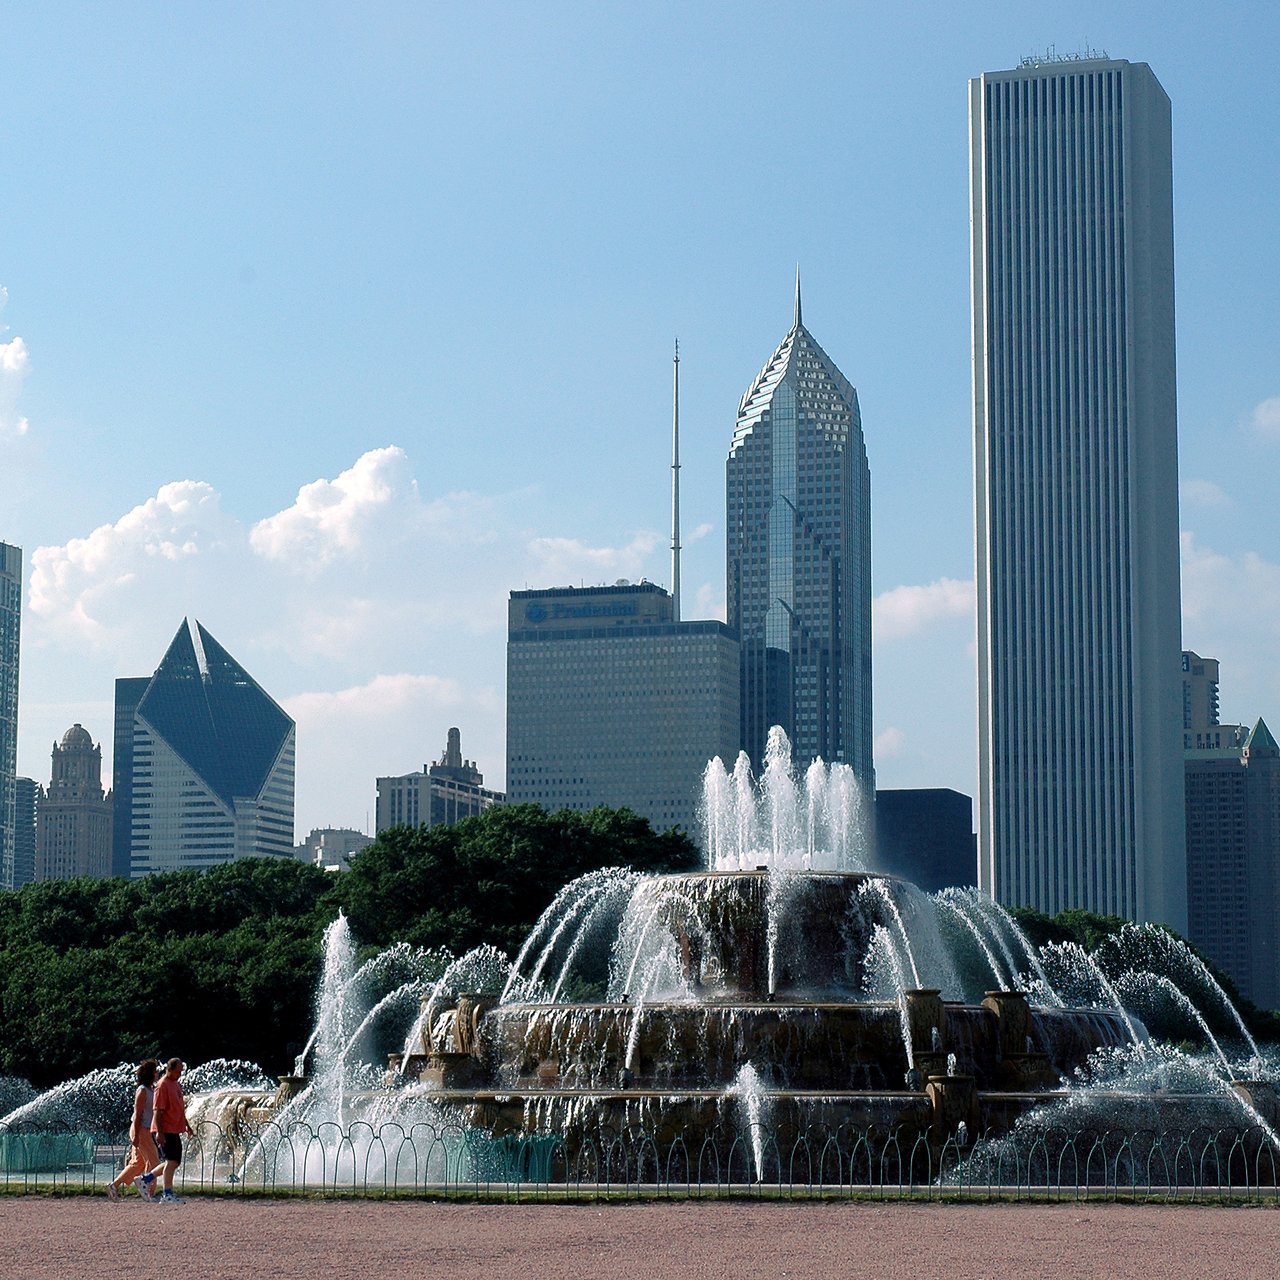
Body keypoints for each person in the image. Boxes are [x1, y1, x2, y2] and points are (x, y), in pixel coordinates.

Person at [106, 1059, 160, 1200]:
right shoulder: (142, 1091)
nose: (158, 1073)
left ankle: (114, 1186)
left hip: (143, 1130)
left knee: (137, 1163)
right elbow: (138, 1114)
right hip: (141, 1130)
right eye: (156, 1071)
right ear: (150, 1074)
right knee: (154, 1162)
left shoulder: (150, 1090)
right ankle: (148, 1190)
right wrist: (136, 1135)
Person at [145, 1057, 193, 1204]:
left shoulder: (176, 1085)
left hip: (173, 1129)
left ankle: (145, 1179)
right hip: (165, 1129)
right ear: (169, 1070)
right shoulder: (162, 1085)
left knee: (174, 1161)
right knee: (172, 1161)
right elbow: (157, 1111)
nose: (180, 1074)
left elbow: (178, 1108)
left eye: (181, 1072)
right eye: (178, 1071)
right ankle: (167, 1193)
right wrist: (159, 1132)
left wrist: (186, 1126)